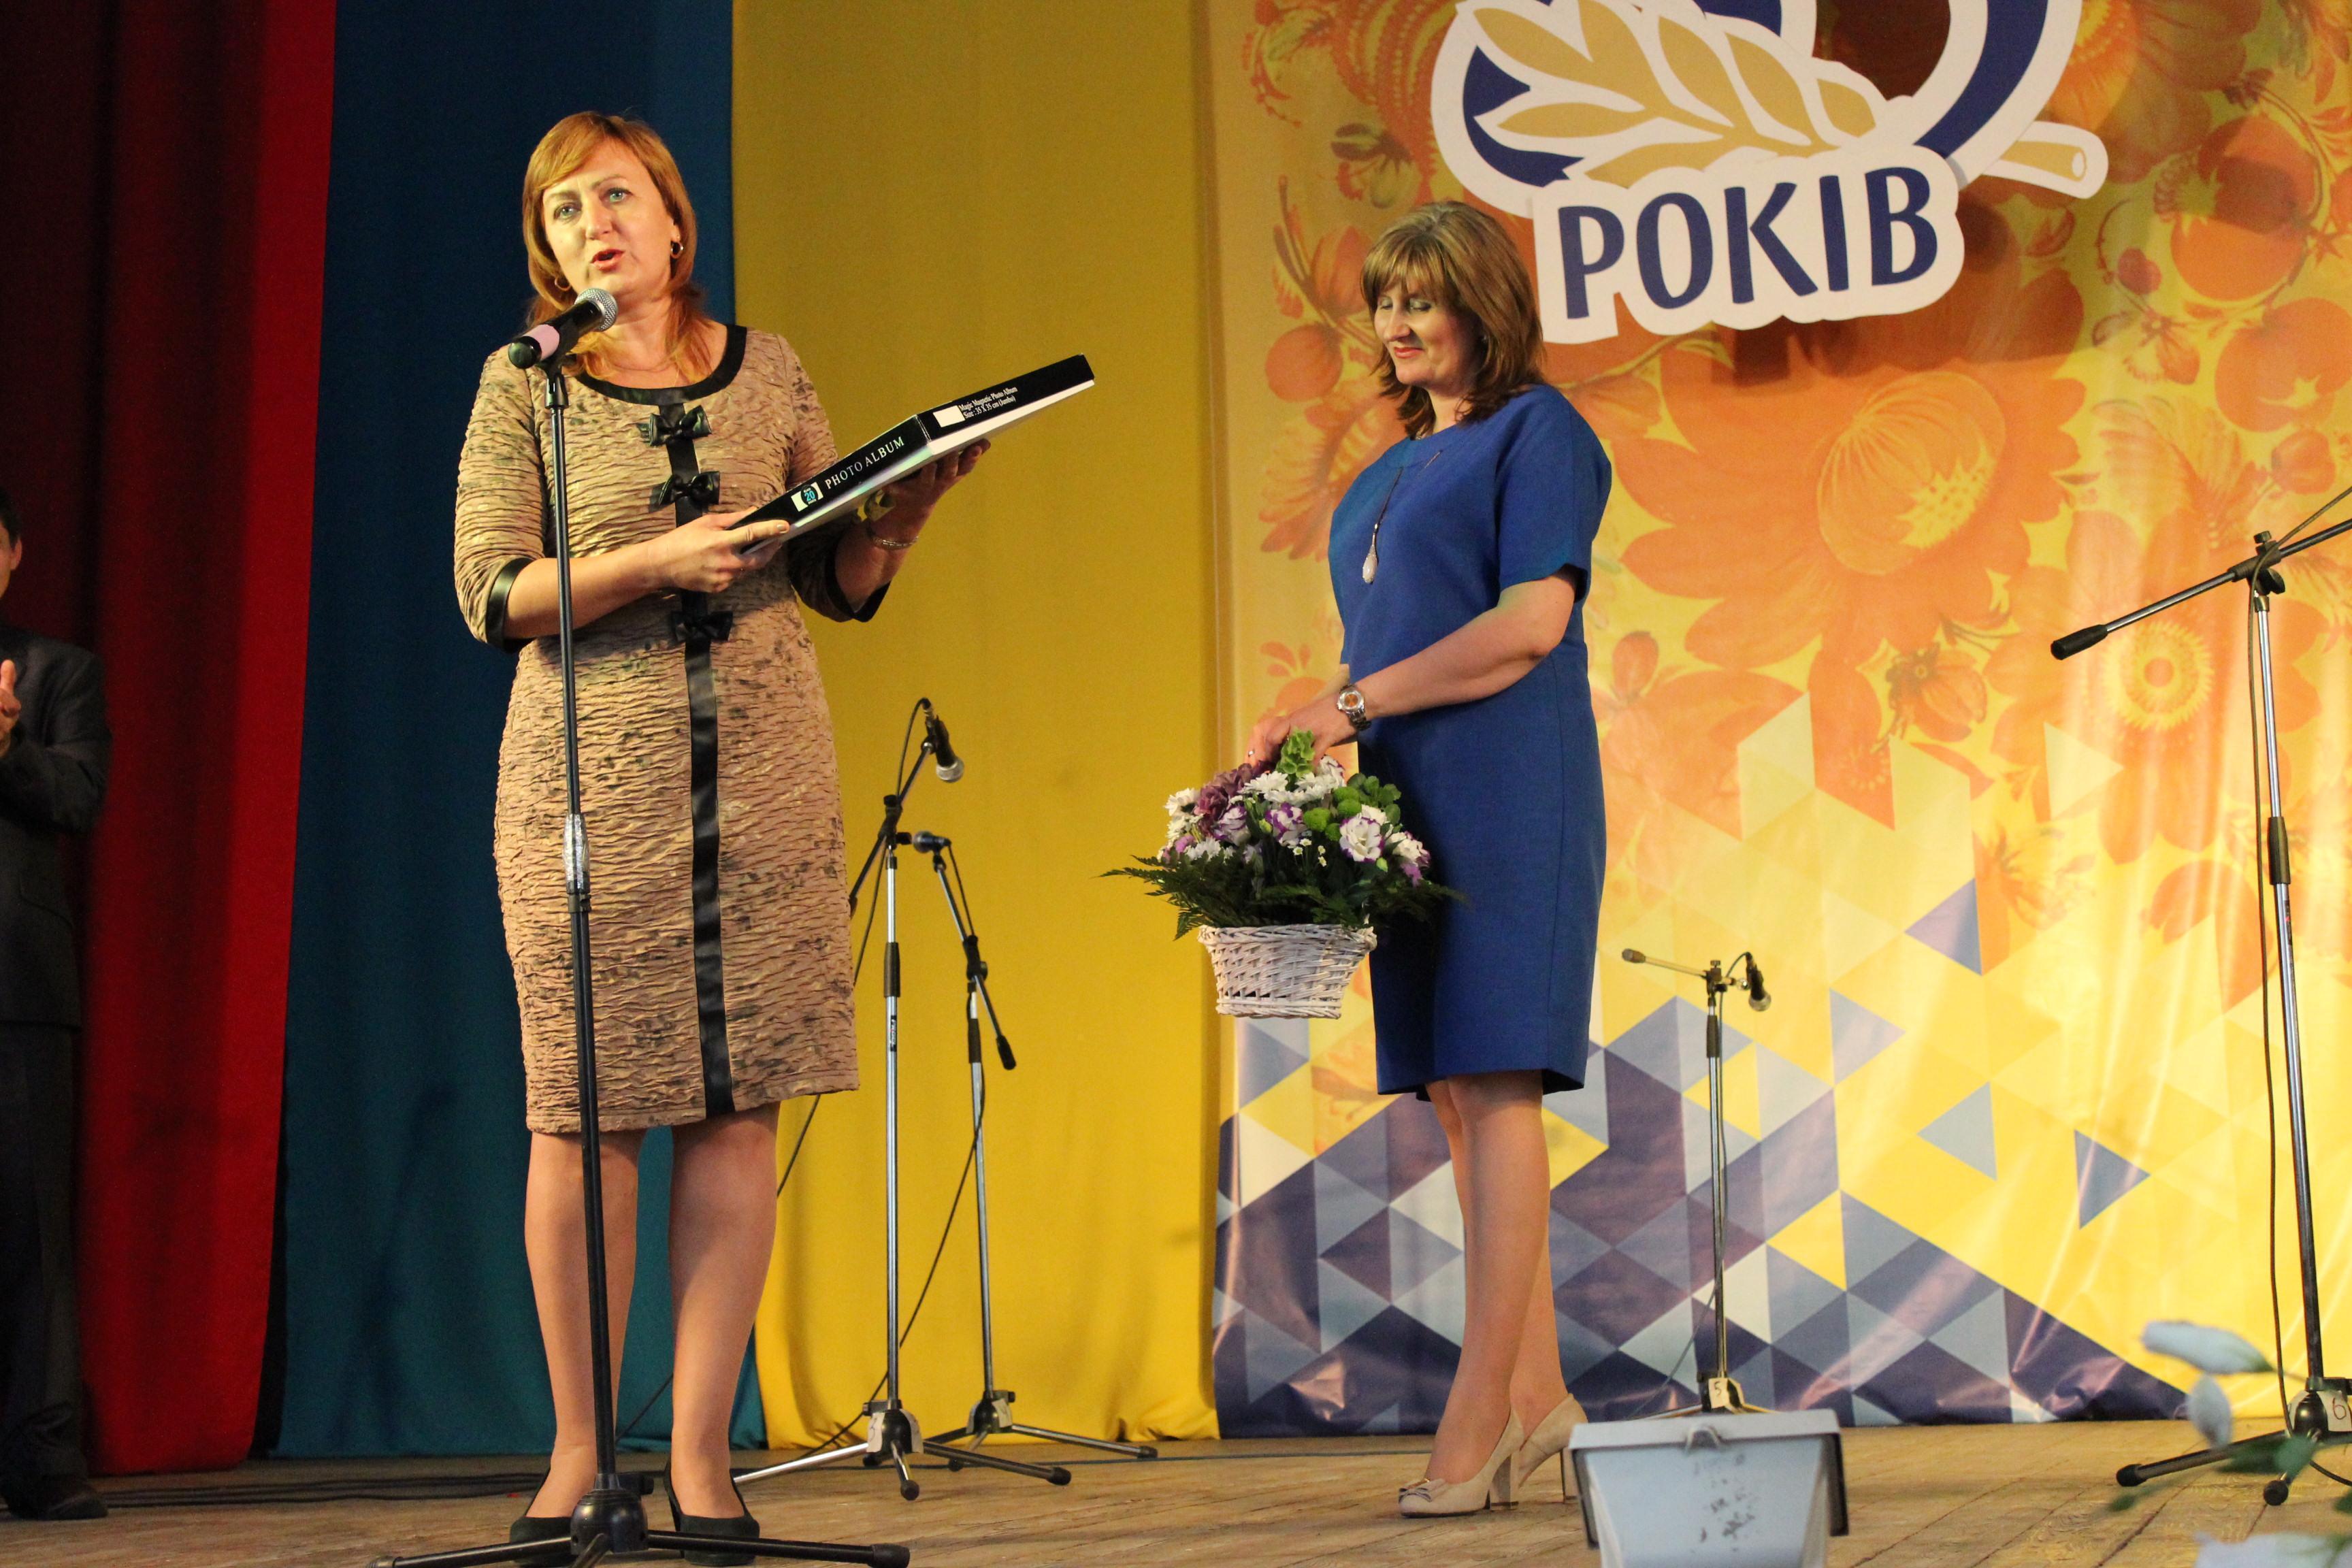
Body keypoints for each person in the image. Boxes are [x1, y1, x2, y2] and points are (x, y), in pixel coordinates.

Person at [453, 113, 981, 1560]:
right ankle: (579, 1454)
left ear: (676, 221)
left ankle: (699, 1459)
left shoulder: (774, 368)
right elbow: (490, 591)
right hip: (587, 791)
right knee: (586, 1110)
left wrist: (904, 516)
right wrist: (654, 562)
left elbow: (835, 574)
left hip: (764, 782)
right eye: (564, 211)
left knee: (739, 1108)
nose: (594, 226)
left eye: (616, 197)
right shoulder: (525, 385)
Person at [1244, 201, 1609, 1517]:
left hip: (1511, 787)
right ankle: (1542, 1402)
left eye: (1425, 299)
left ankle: (1480, 1415)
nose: (1399, 323)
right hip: (1410, 800)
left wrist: (1346, 705)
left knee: (1497, 1083)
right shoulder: (1385, 471)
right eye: (1386, 301)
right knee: (1456, 1094)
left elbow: (1528, 625)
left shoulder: (1542, 432)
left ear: (1483, 307)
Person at [0, 485, 112, 1523]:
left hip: (17, 984)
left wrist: (7, 746)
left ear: (13, 554)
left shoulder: (53, 671)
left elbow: (78, 800)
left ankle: (42, 1455)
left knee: (31, 1228)